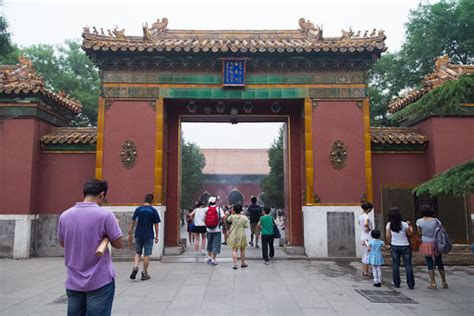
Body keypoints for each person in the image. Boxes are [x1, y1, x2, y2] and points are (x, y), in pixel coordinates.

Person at [58, 179, 123, 316]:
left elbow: (63, 243)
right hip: (99, 281)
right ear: (102, 195)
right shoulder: (105, 215)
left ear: (84, 193)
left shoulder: (65, 215)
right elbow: (118, 244)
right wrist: (114, 227)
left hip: (73, 281)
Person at [128, 193, 161, 281]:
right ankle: (144, 273)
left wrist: (130, 231)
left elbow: (133, 221)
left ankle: (135, 267)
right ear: (152, 201)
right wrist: (157, 236)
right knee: (147, 254)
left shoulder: (138, 209)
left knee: (138, 252)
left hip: (138, 234)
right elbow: (156, 225)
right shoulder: (153, 211)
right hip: (149, 235)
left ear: (144, 200)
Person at [416, 208, 449, 290]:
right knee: (439, 262)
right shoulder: (436, 221)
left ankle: (433, 282)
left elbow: (419, 232)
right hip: (436, 242)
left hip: (426, 242)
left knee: (429, 262)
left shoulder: (419, 221)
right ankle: (444, 281)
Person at [385, 207, 415, 289]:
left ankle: (397, 283)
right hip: (405, 245)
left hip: (394, 246)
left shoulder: (389, 224)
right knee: (408, 265)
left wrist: (388, 243)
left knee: (395, 265)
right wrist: (410, 225)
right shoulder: (404, 224)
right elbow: (410, 233)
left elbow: (387, 235)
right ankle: (410, 284)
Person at [227, 204, 249, 269]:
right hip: (242, 234)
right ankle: (243, 263)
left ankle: (235, 264)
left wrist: (232, 213)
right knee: (242, 249)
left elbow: (228, 220)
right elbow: (246, 226)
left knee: (234, 249)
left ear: (234, 210)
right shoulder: (244, 217)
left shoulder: (232, 217)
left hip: (234, 234)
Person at [205, 196, 225, 266]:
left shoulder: (206, 209)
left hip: (208, 230)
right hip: (217, 229)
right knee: (216, 244)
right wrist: (225, 226)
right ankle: (213, 260)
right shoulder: (218, 209)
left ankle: (210, 258)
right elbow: (223, 218)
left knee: (209, 243)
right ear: (215, 202)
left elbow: (204, 218)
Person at [359, 201, 373, 277]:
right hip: (367, 236)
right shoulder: (366, 217)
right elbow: (365, 223)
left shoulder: (361, 215)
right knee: (368, 253)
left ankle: (365, 270)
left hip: (363, 236)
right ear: (369, 209)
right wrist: (368, 228)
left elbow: (359, 223)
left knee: (365, 253)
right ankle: (366, 271)